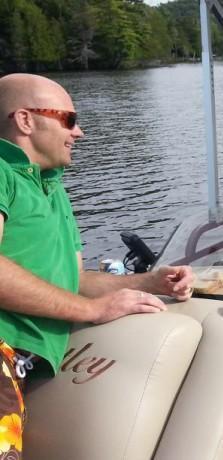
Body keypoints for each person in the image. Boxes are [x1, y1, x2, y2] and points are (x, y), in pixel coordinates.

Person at [0, 73, 194, 456]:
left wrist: (150, 282)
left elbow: (71, 282)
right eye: (68, 120)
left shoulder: (52, 188)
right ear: (25, 121)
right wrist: (91, 310)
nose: (80, 132)